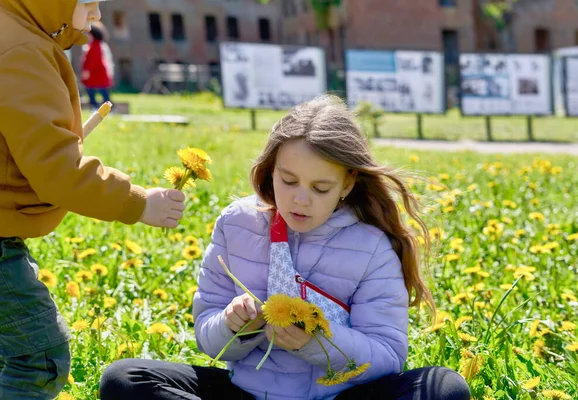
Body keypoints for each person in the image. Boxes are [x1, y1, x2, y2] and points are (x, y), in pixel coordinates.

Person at [100, 95, 470, 400]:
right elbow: (207, 335)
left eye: (320, 188)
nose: (300, 200)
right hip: (245, 393)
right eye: (288, 180)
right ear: (270, 169)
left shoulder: (370, 246)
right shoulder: (237, 222)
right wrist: (234, 327)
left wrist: (318, 341)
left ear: (347, 184)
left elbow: (388, 358)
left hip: (333, 397)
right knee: (123, 379)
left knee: (444, 388)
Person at [0, 1, 186, 398]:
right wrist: (137, 202)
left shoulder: (11, 32)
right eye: (88, 3)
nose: (97, 15)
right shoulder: (23, 52)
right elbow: (56, 169)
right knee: (39, 358)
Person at [81, 22, 114, 110]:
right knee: (92, 90)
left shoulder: (96, 45)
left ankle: (106, 107)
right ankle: (95, 105)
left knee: (101, 90)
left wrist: (88, 70)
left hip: (97, 73)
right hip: (94, 74)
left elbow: (94, 60)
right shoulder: (91, 45)